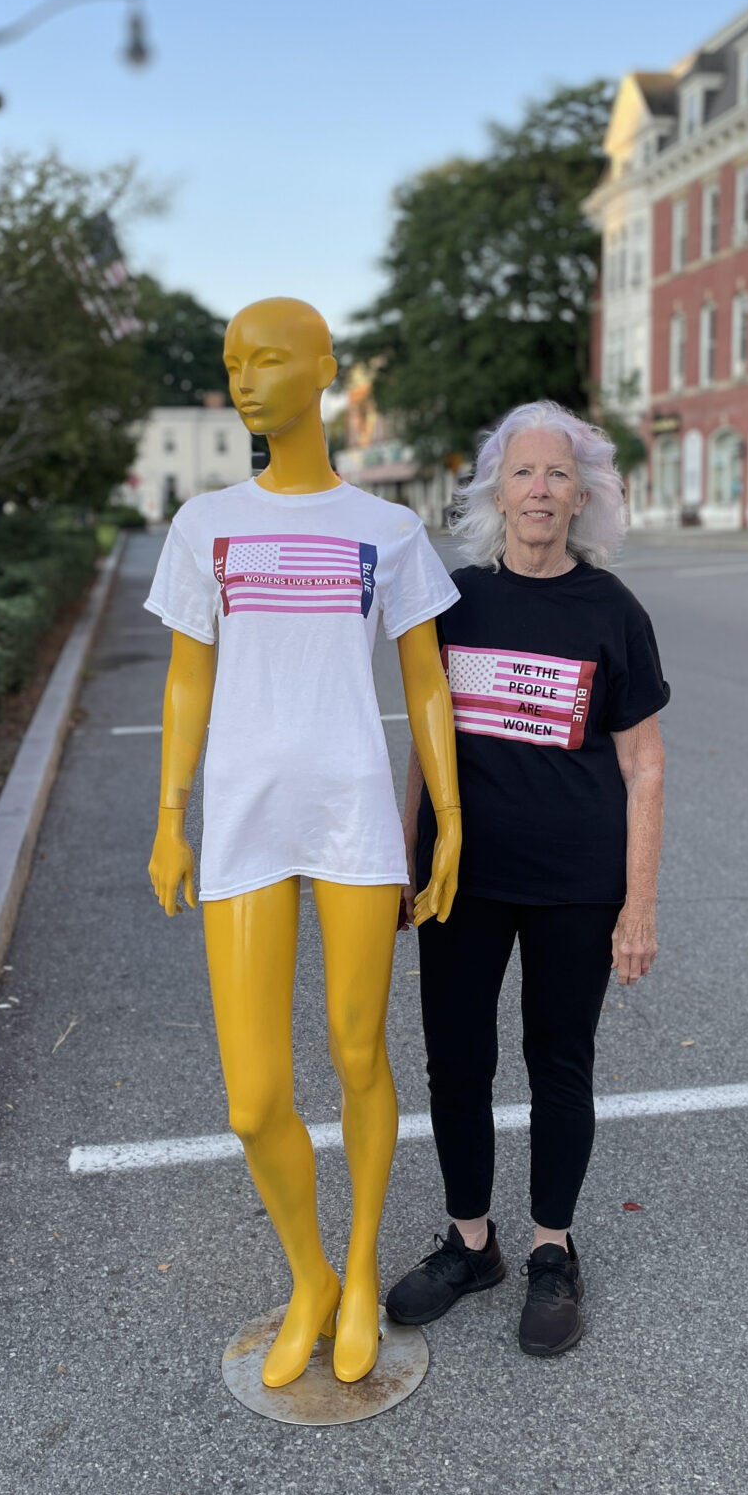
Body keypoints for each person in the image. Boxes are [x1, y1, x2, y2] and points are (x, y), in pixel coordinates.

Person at [145, 297, 463, 1388]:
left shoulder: (387, 532)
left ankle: (364, 1270)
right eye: (232, 361)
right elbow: (189, 676)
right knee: (251, 1098)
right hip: (241, 818)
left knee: (360, 1051)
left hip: (354, 820)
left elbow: (428, 679)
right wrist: (168, 816)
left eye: (267, 358)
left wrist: (449, 822)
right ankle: (309, 1277)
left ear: (322, 370)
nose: (244, 377)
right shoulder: (206, 525)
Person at [385, 400, 668, 1357]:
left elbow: (645, 766)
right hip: (462, 879)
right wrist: (402, 854)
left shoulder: (612, 612)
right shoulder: (455, 601)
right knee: (456, 1061)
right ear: (495, 492)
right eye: (522, 473)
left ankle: (552, 1248)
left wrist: (638, 903)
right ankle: (472, 1243)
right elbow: (425, 746)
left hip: (574, 883)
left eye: (557, 475)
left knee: (560, 1063)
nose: (539, 490)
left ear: (581, 495)